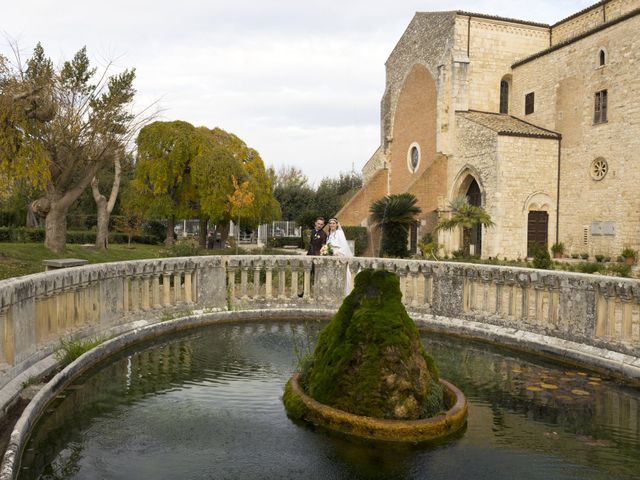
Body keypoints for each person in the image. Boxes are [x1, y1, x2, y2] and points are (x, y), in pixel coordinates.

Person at [299, 217, 327, 297]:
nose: (319, 225)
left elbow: (323, 247)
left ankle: (317, 293)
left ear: (323, 225)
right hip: (309, 255)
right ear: (315, 223)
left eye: (321, 224)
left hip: (317, 257)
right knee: (306, 273)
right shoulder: (312, 232)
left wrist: (320, 257)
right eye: (318, 223)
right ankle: (305, 292)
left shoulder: (323, 234)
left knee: (316, 275)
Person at [326, 217, 354, 295]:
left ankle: (344, 292)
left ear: (337, 224)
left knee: (341, 275)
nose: (332, 225)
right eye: (330, 223)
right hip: (332, 257)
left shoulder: (339, 233)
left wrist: (337, 253)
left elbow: (344, 246)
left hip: (338, 256)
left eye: (333, 223)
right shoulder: (330, 235)